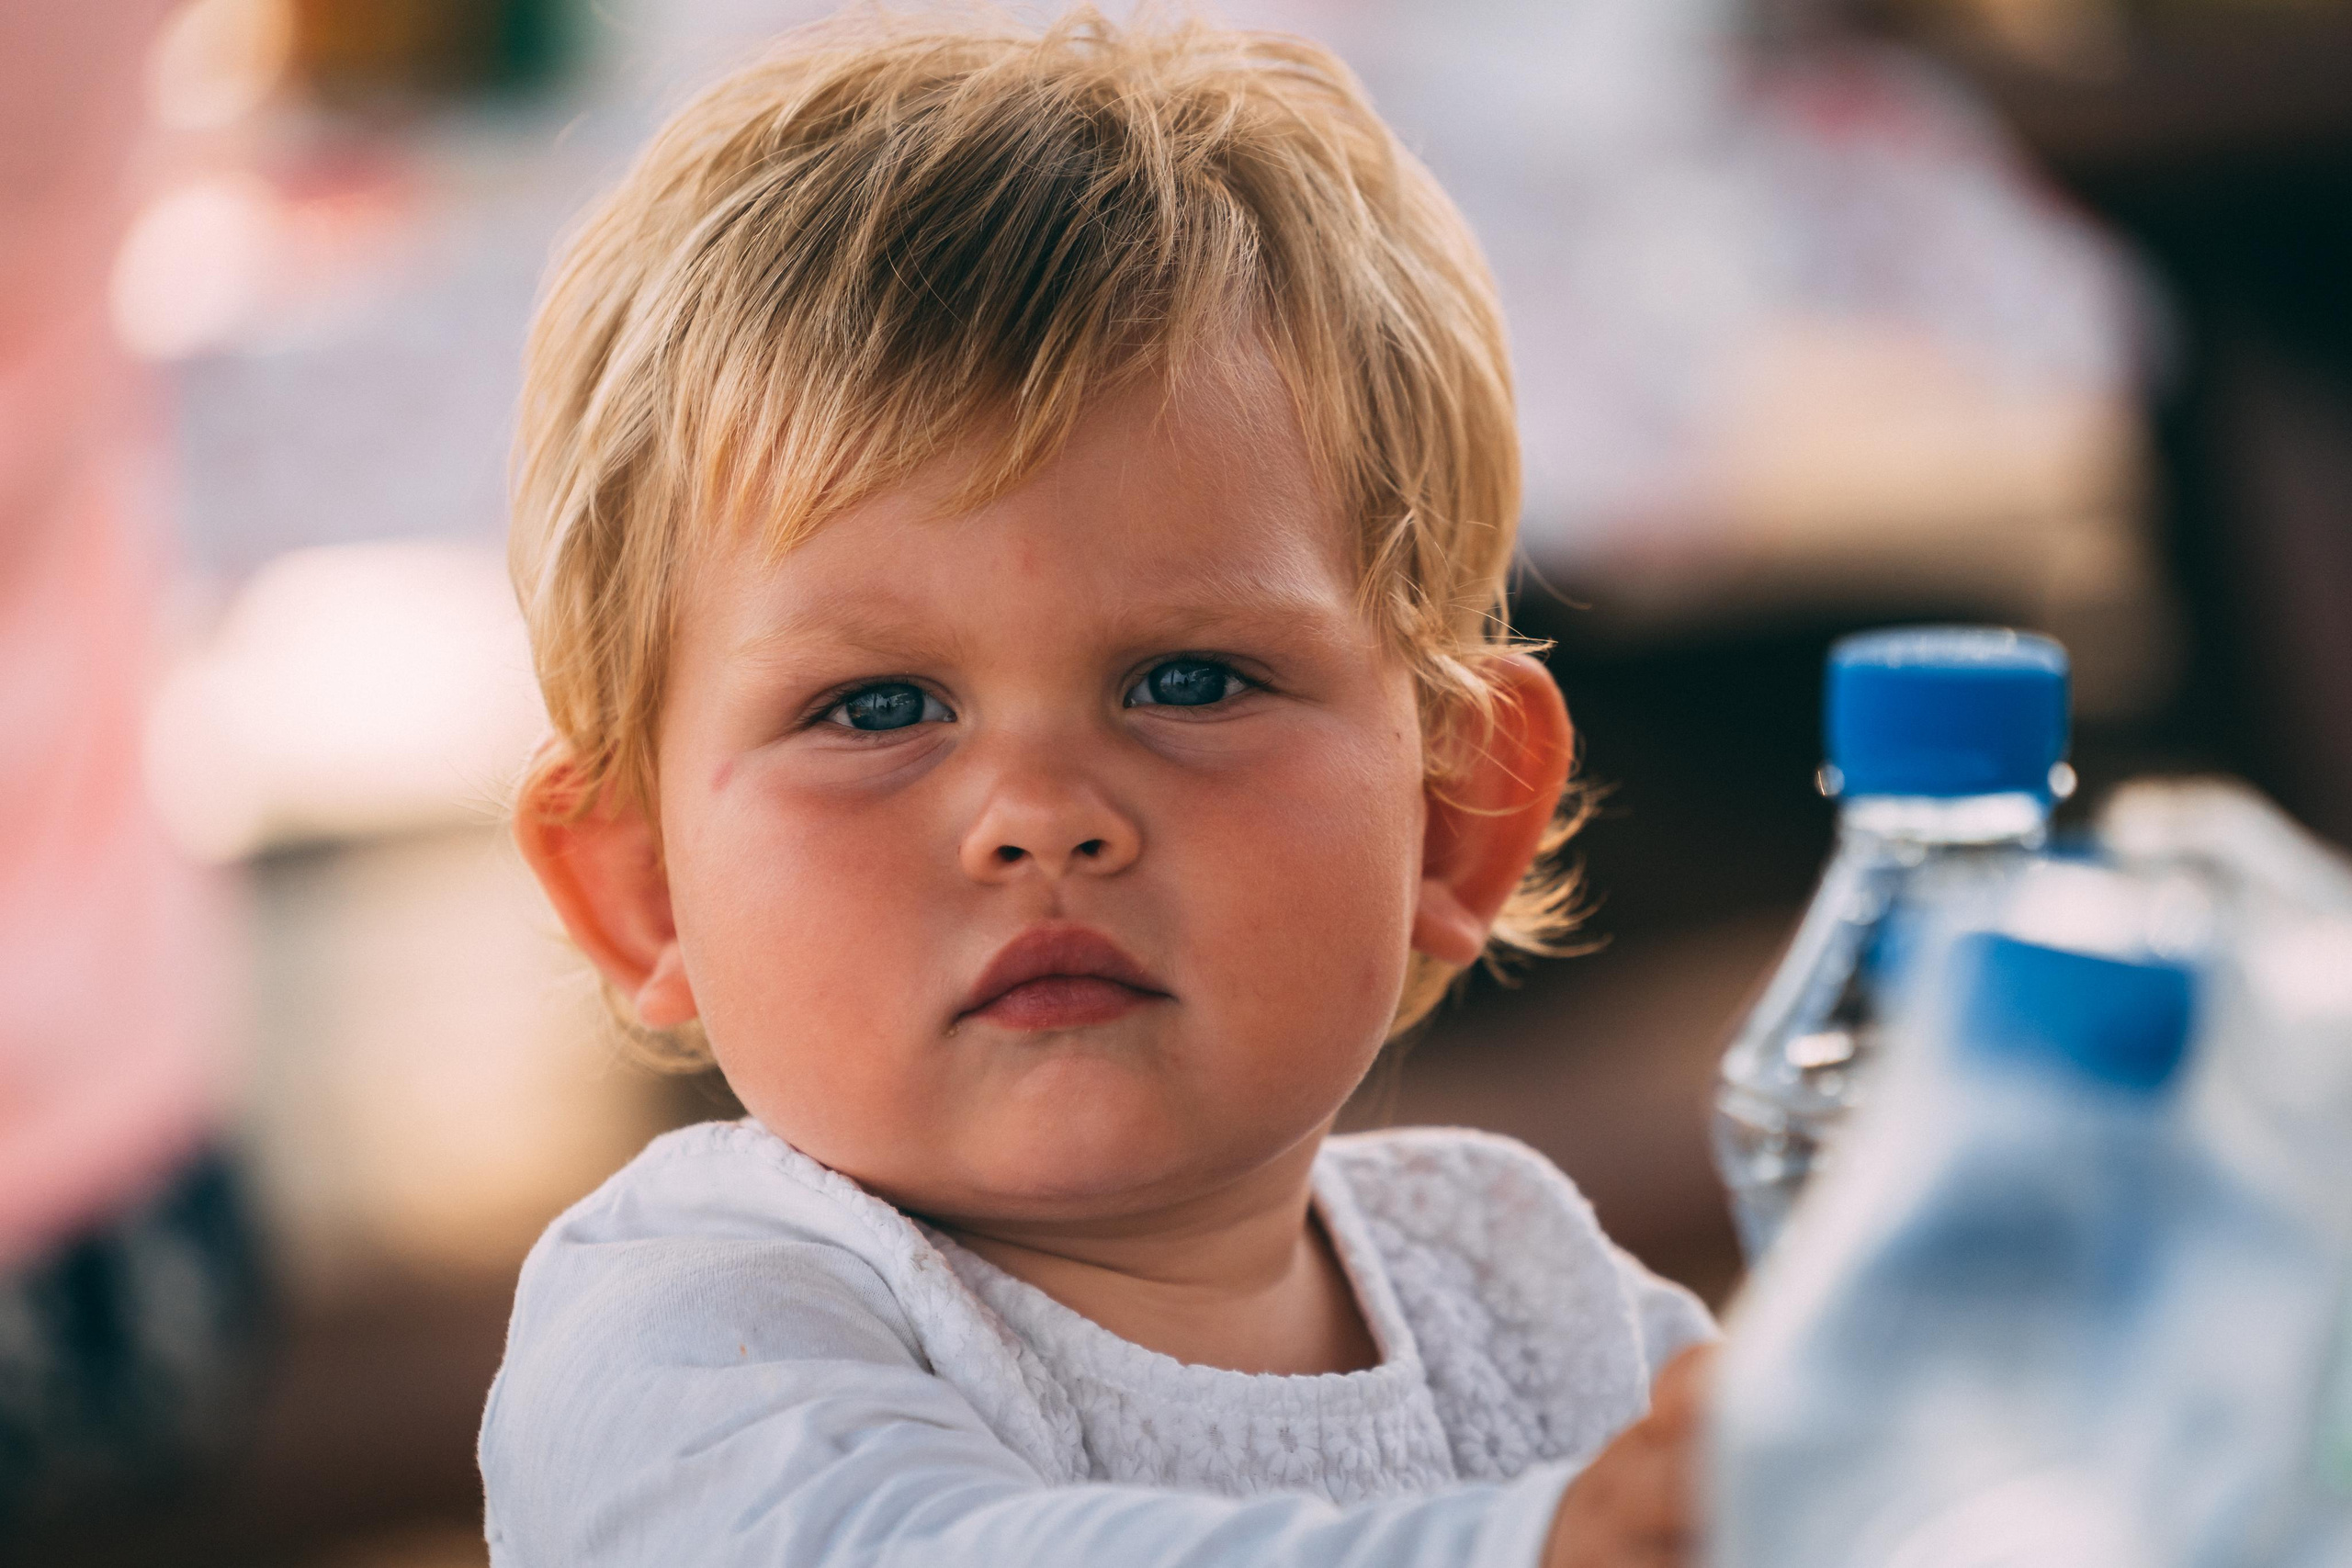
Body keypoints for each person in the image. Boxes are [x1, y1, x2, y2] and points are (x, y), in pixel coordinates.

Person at [480, 9, 1715, 1565]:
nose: (1042, 812)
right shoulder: (690, 1337)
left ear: (1456, 815)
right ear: (642, 889)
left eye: (1187, 682)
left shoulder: (1533, 1297)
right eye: (876, 707)